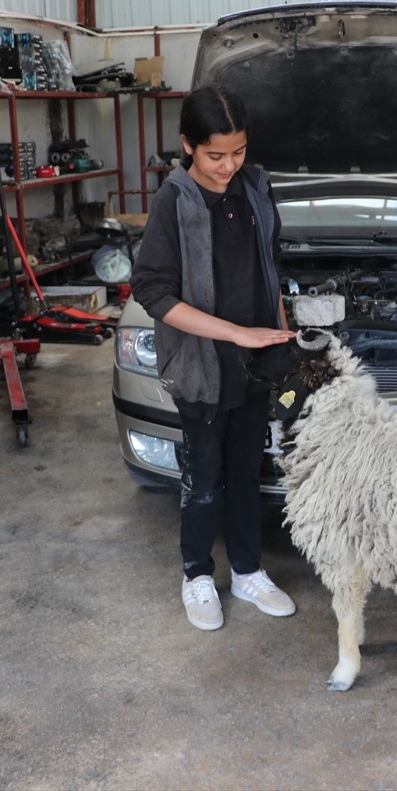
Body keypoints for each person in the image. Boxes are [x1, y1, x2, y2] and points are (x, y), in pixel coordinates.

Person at [127, 85, 297, 632]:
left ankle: (247, 571)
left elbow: (269, 267)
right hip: (201, 365)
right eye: (215, 155)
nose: (228, 166)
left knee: (246, 471)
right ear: (188, 145)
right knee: (203, 478)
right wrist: (236, 334)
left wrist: (278, 334)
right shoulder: (174, 201)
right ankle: (197, 574)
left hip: (253, 364)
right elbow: (152, 291)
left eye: (238, 151)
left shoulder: (256, 188)